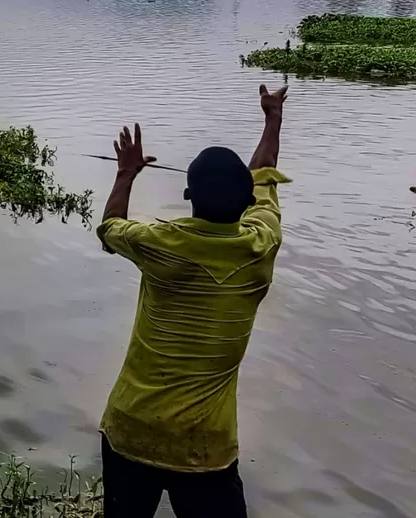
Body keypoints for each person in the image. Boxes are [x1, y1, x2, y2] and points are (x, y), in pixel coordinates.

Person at [96, 84, 290, 518]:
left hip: (132, 429)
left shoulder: (160, 243)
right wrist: (272, 118)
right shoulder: (262, 246)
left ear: (190, 200)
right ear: (245, 202)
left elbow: (109, 229)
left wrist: (126, 174)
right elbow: (263, 174)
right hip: (205, 448)